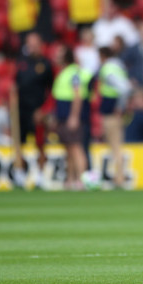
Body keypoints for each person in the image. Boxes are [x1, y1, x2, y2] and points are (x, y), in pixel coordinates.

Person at [14, 32, 54, 189]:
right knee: (19, 143)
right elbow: (14, 84)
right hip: (21, 110)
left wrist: (44, 109)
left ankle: (40, 175)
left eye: (34, 44)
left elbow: (52, 90)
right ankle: (20, 173)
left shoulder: (46, 64)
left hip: (37, 110)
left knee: (40, 144)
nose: (31, 47)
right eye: (29, 44)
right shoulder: (21, 62)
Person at [52, 46, 92, 190]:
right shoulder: (65, 72)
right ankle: (71, 179)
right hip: (63, 116)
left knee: (76, 147)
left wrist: (74, 116)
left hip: (71, 116)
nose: (55, 57)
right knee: (69, 149)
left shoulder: (74, 73)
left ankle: (82, 179)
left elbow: (77, 95)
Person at [98, 46, 131, 188]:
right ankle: (119, 176)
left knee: (115, 145)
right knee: (116, 145)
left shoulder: (108, 69)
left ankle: (120, 178)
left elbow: (124, 88)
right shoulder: (119, 66)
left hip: (112, 112)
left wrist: (119, 106)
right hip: (114, 112)